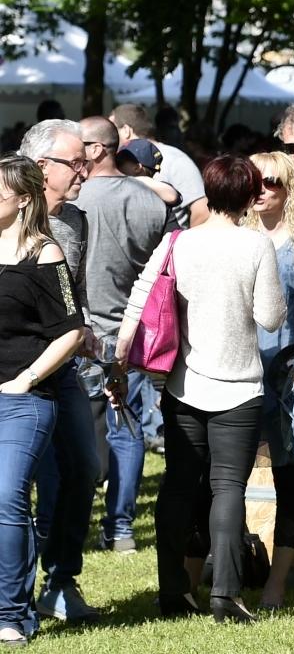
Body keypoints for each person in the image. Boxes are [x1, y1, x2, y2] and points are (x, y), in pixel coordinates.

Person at [117, 153, 284, 624]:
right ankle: (226, 596)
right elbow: (271, 316)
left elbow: (140, 299)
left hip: (182, 382)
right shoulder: (255, 246)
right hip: (240, 386)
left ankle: (173, 590)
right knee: (228, 487)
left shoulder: (178, 242)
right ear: (251, 197)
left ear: (207, 193)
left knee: (177, 486)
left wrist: (117, 362)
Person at [0, 154, 87, 647]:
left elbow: (71, 332)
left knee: (7, 496)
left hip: (24, 399)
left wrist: (27, 378)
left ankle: (11, 614)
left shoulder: (44, 254)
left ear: (24, 199)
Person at [72, 117, 169, 555]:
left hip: (81, 332)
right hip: (135, 332)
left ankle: (74, 522)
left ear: (96, 150)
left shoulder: (71, 200)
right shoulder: (149, 200)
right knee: (126, 430)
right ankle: (122, 528)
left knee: (75, 431)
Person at [20, 118, 100, 626]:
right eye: (76, 163)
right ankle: (15, 586)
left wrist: (84, 329)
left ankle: (61, 580)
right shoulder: (6, 216)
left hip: (63, 368)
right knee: (16, 481)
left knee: (84, 468)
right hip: (14, 369)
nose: (85, 172)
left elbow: (78, 294)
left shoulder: (75, 221)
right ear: (40, 166)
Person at [244, 151, 294, 608]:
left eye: (272, 182)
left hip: (289, 379)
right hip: (237, 376)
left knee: (290, 479)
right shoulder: (235, 237)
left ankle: (277, 583)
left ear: (289, 188)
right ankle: (238, 560)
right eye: (253, 181)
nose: (261, 189)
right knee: (222, 478)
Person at [110, 103, 209, 227]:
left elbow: (202, 210)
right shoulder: (119, 160)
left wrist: (183, 244)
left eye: (112, 131)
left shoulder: (174, 160)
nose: (109, 137)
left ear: (126, 130)